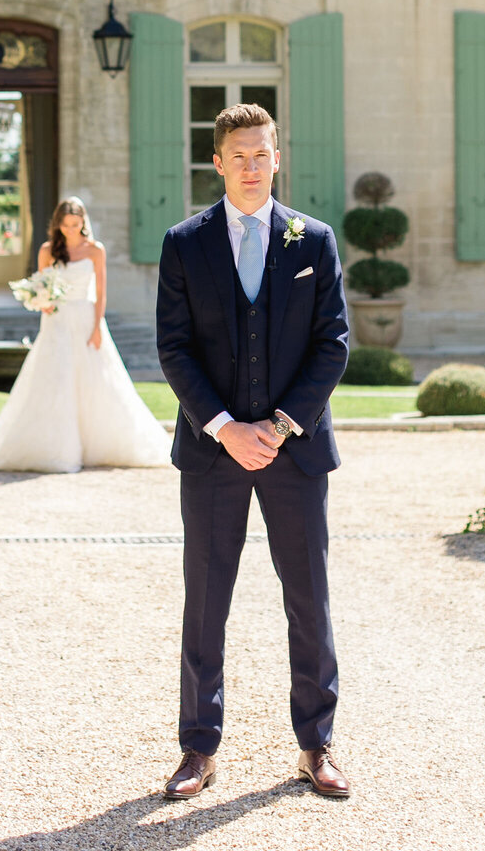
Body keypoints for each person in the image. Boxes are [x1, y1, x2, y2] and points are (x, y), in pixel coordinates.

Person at [156, 104, 351, 801]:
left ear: (277, 157)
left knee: (309, 598)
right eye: (237, 155)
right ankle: (197, 749)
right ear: (216, 162)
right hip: (211, 455)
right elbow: (173, 348)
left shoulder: (315, 240)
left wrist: (278, 426)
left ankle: (316, 746)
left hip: (294, 454)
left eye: (261, 153)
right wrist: (223, 427)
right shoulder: (184, 243)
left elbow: (334, 343)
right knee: (206, 600)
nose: (250, 165)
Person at [0, 197, 171, 474]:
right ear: (58, 224)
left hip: (85, 319)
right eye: (66, 224)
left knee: (95, 381)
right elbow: (41, 286)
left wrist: (96, 327)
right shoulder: (47, 250)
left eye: (76, 223)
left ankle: (97, 445)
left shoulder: (95, 250)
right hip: (56, 322)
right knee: (53, 380)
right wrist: (40, 302)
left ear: (83, 222)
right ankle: (52, 447)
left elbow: (101, 292)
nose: (71, 229)